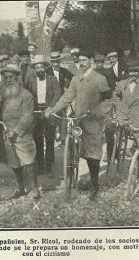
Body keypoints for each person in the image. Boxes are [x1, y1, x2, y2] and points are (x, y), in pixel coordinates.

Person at [44, 50, 111, 200]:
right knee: (83, 152)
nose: (81, 62)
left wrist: (97, 111)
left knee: (93, 154)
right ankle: (80, 179)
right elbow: (67, 97)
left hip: (94, 121)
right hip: (80, 120)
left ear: (91, 61)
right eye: (79, 60)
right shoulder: (76, 79)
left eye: (84, 60)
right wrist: (53, 109)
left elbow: (109, 100)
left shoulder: (99, 79)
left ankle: (95, 185)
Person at [0, 64, 40, 199]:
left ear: (17, 78)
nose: (8, 80)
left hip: (22, 133)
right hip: (7, 132)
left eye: (11, 77)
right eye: (6, 78)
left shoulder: (26, 95)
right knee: (14, 162)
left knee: (28, 161)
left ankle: (35, 189)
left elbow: (27, 116)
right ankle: (20, 188)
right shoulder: (4, 93)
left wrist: (16, 131)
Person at [25, 55, 61, 176]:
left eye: (41, 67)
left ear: (45, 68)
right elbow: (26, 94)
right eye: (37, 67)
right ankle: (40, 166)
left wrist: (50, 108)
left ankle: (49, 166)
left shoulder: (52, 79)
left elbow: (57, 95)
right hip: (36, 112)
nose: (39, 69)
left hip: (49, 110)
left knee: (50, 139)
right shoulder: (30, 80)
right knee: (37, 139)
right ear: (34, 69)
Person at [48, 51, 74, 146]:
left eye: (58, 61)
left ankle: (63, 139)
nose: (56, 63)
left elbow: (74, 78)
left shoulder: (63, 70)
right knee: (52, 117)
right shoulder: (47, 71)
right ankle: (52, 137)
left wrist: (68, 86)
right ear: (51, 62)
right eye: (54, 61)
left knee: (63, 117)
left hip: (62, 97)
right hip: (50, 98)